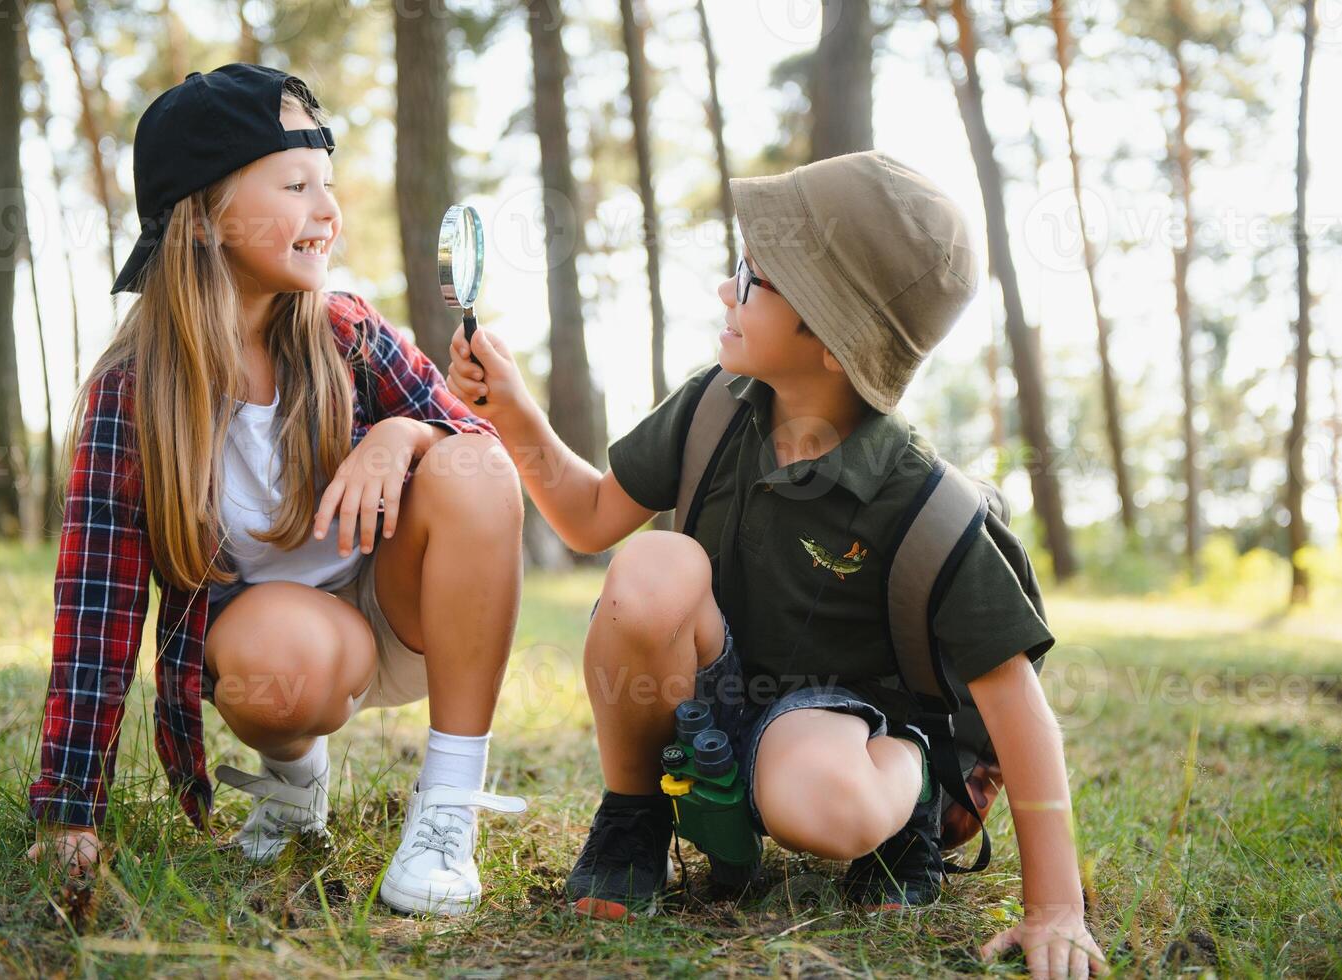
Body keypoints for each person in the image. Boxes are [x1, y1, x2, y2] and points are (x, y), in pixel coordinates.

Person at [446, 151, 1107, 976]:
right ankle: (633, 816)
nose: (726, 290)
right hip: (714, 697)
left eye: (752, 281)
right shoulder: (711, 408)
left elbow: (1019, 712)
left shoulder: (927, 509)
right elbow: (587, 518)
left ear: (833, 341)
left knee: (815, 797)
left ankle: (907, 800)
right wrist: (510, 411)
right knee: (652, 563)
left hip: (842, 732)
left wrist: (1055, 908)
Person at [25, 64, 526, 917]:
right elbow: (96, 610)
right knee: (273, 673)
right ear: (205, 215)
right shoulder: (133, 394)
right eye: (296, 185)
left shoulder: (348, 333)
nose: (328, 211)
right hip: (286, 648)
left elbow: (478, 450)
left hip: (409, 612)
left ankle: (445, 811)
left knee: (472, 465)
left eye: (327, 185)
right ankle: (295, 784)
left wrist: (403, 434)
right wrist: (70, 810)